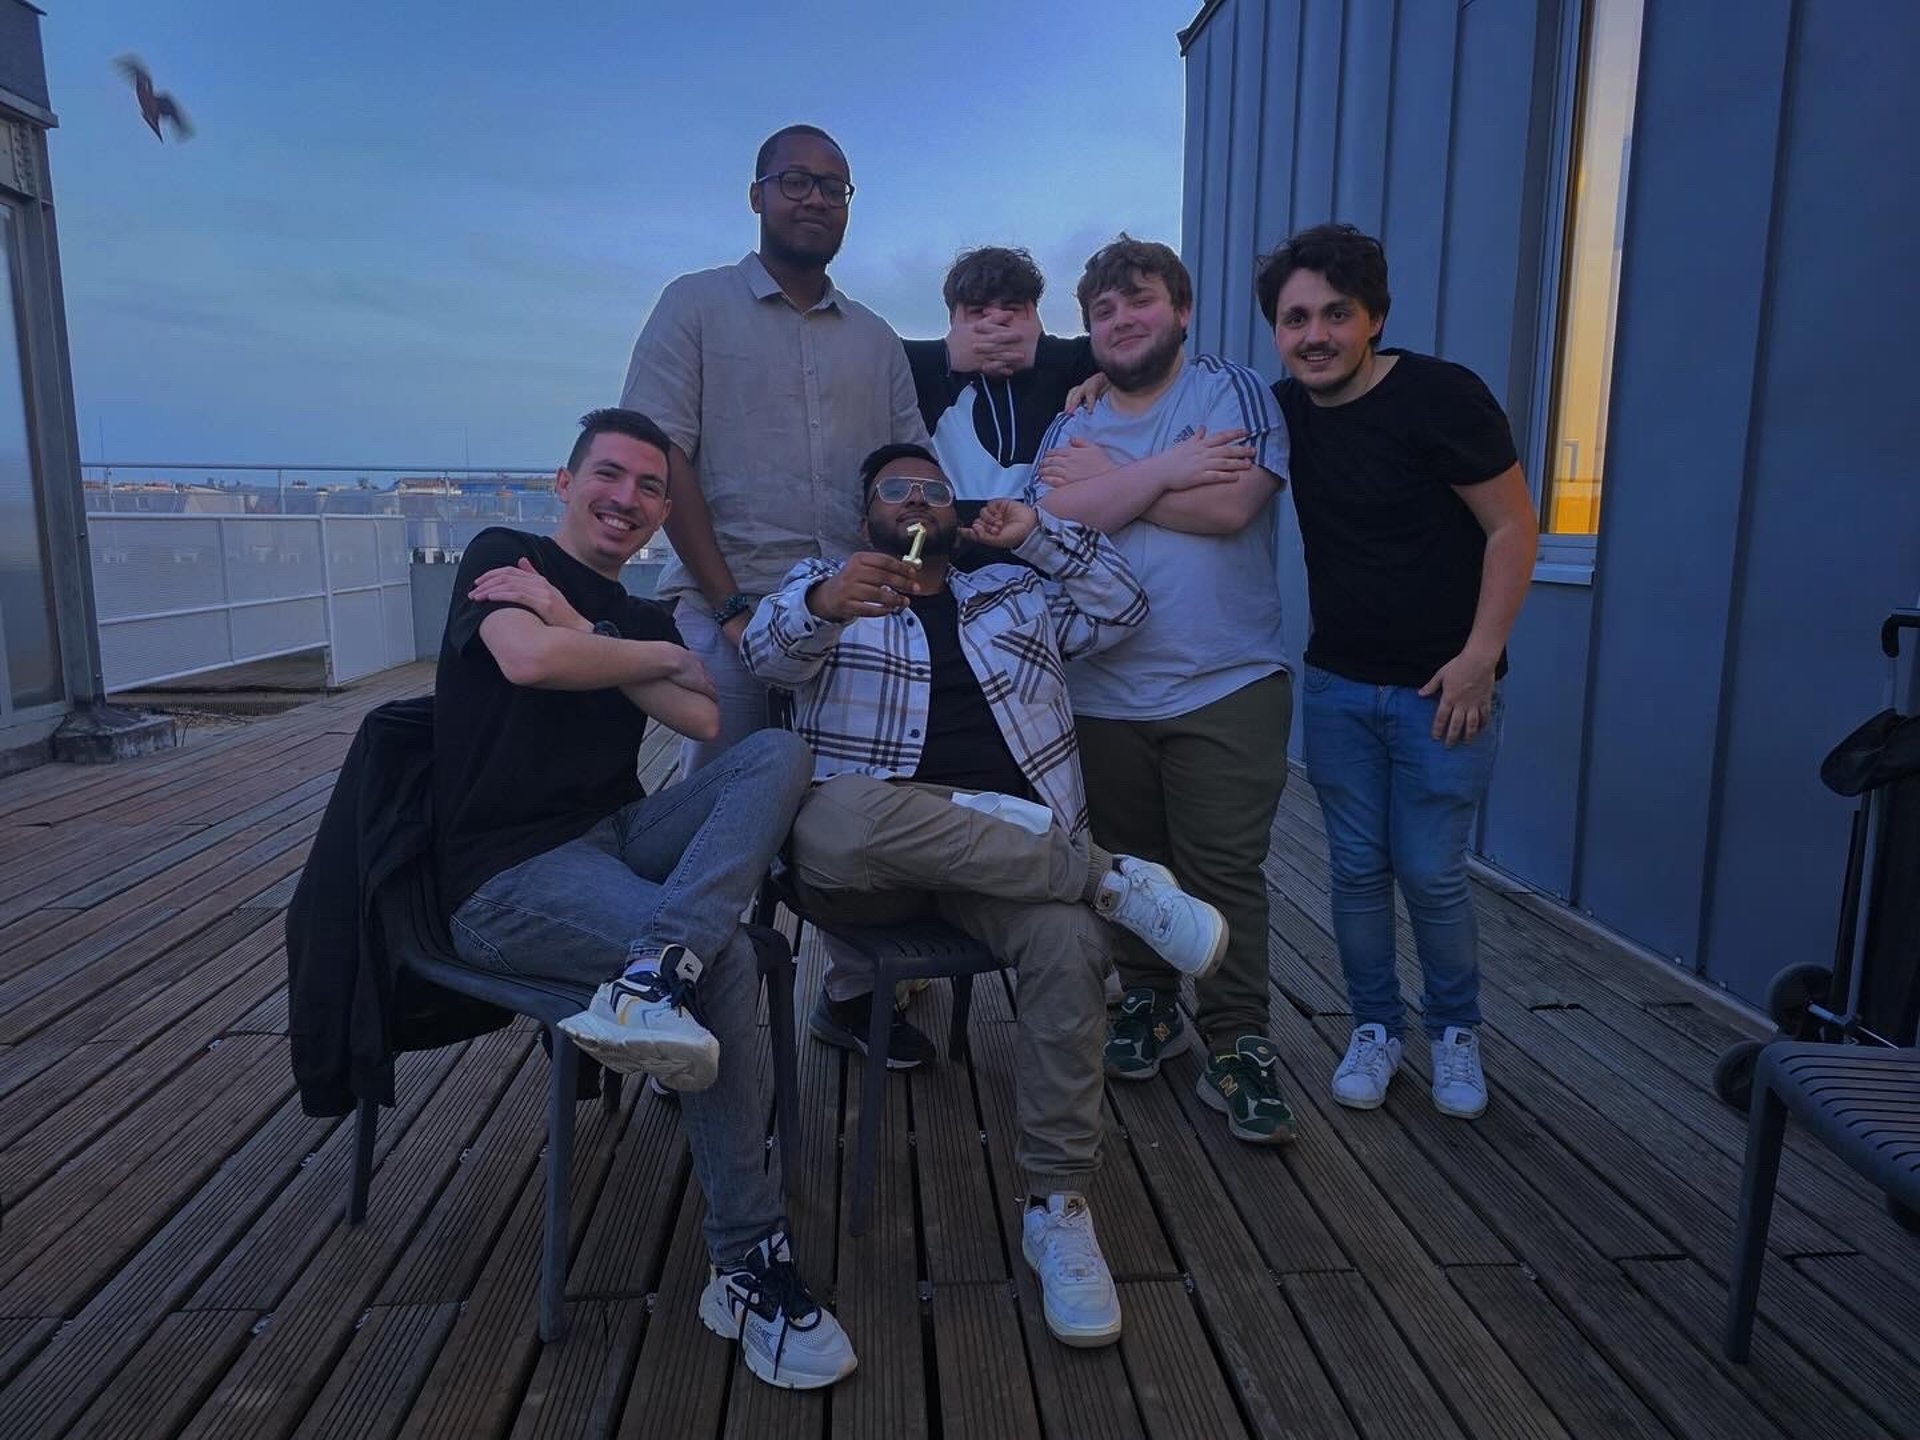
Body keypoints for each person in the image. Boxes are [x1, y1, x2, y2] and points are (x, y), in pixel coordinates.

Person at [742, 442, 1227, 1347]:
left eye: (935, 488)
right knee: (835, 821)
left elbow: (1122, 606)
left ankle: (1058, 1203)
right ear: (867, 514)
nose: (919, 499)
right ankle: (1111, 882)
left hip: (1006, 861)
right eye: (897, 488)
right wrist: (821, 604)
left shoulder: (1013, 596)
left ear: (957, 515)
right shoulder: (827, 583)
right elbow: (765, 655)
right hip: (875, 863)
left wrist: (1039, 536)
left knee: (1069, 947)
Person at [433, 407, 854, 1390]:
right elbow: (526, 660)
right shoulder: (505, 554)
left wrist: (588, 628)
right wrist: (642, 655)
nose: (627, 500)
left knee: (776, 750)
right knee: (733, 961)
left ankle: (657, 967)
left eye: (649, 487)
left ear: (667, 507)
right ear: (566, 481)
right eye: (609, 477)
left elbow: (705, 711)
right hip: (509, 873)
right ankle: (747, 1261)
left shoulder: (639, 611)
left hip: (617, 833)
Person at [1256, 223, 1538, 1120]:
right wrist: (1100, 375)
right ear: (1276, 330)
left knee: (1431, 869)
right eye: (1295, 318)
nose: (1315, 335)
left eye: (1336, 313)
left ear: (1373, 316)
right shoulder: (1285, 412)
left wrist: (1478, 659)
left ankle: (1454, 1032)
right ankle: (1375, 1026)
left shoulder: (1441, 398)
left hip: (1443, 690)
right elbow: (1183, 413)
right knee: (1355, 868)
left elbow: (1513, 529)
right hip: (1338, 686)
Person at [1029, 236, 1298, 1146]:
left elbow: (1230, 509)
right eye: (1102, 310)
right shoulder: (1070, 423)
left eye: (1139, 300)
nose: (1121, 319)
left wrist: (1114, 484)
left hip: (1225, 684)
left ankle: (1237, 1038)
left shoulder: (1232, 392)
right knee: (1134, 875)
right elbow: (1052, 521)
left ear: (1181, 309)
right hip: (1100, 691)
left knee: (1224, 871)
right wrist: (1164, 470)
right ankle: (1146, 1004)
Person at [619, 123, 928, 776]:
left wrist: (913, 573)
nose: (815, 198)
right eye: (795, 181)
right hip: (724, 620)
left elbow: (915, 480)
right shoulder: (694, 306)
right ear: (756, 197)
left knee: (844, 824)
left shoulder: (877, 339)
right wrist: (733, 609)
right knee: (721, 827)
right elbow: (658, 456)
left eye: (833, 188)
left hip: (851, 626)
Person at [900, 246, 1096, 522]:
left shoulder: (1072, 370)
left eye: (1012, 310)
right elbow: (859, 355)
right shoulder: (916, 377)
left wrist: (1039, 350)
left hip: (1053, 543)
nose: (996, 323)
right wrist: (945, 354)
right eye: (978, 312)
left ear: (1037, 318)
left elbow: (1130, 351)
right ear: (952, 322)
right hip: (947, 545)